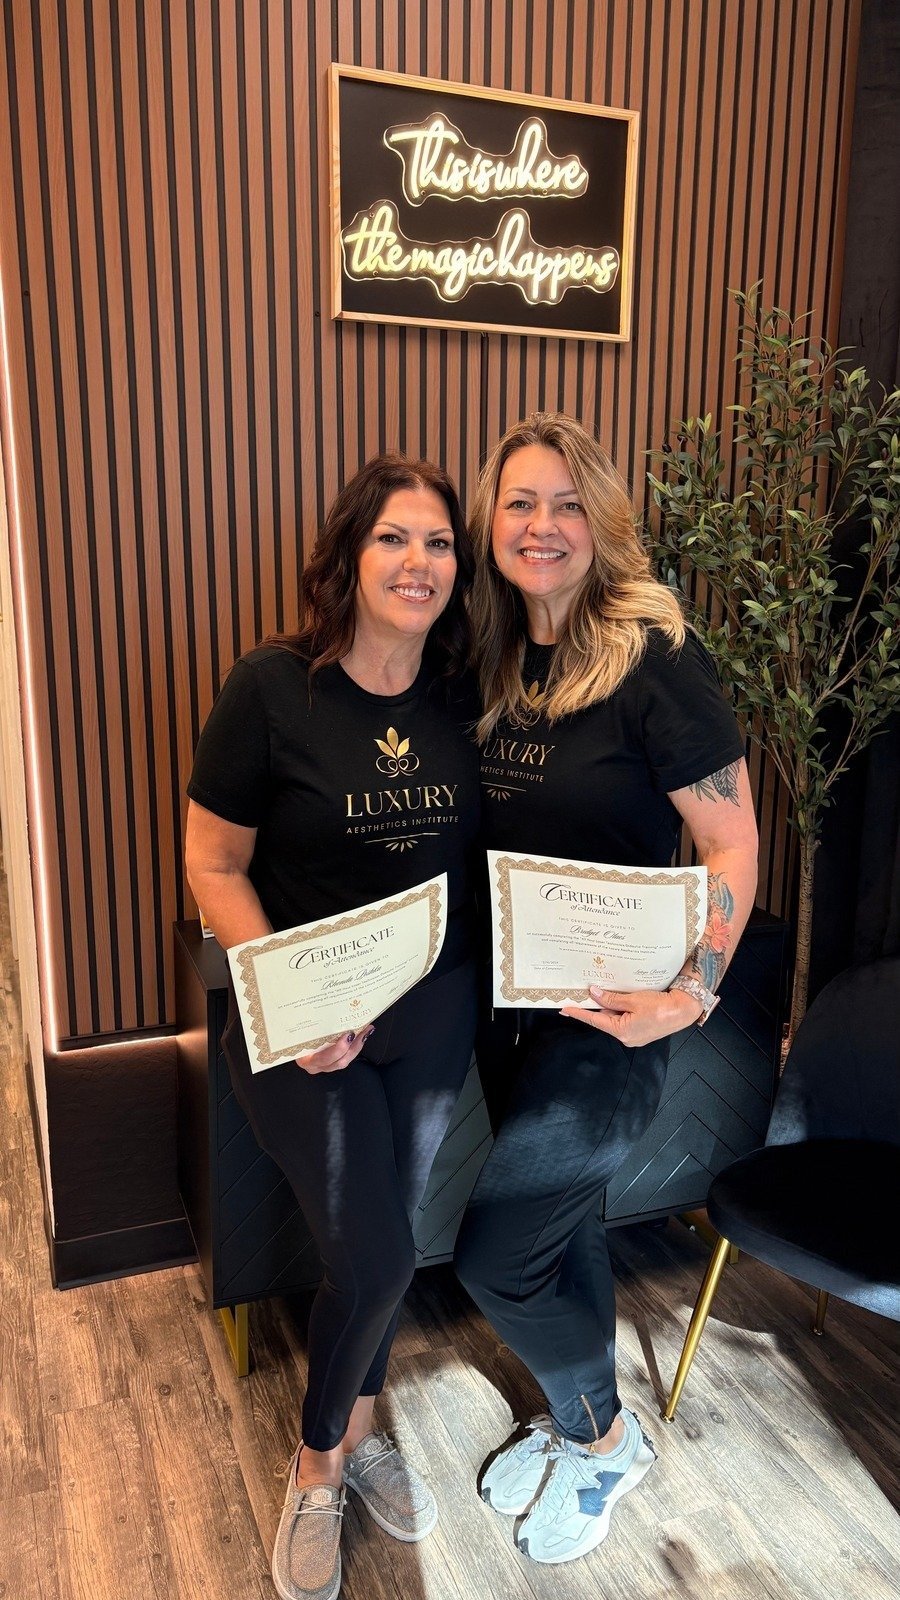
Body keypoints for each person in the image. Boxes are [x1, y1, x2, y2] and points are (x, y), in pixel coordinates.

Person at [454, 412, 759, 1567]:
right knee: (556, 1222)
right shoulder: (485, 650)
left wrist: (694, 994)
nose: (542, 526)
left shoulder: (654, 652)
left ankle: (609, 1435)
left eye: (568, 503)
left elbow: (733, 845)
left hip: (621, 1019)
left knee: (495, 1251)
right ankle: (575, 1418)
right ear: (492, 522)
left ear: (603, 521)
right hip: (508, 1007)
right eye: (521, 502)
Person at [185, 454, 481, 1600]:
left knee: (386, 1235)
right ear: (349, 557)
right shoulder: (271, 687)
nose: (420, 563)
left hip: (431, 1016)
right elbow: (213, 862)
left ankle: (359, 1431)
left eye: (440, 543)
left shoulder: (465, 690)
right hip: (305, 1023)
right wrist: (294, 1000)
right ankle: (318, 1462)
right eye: (395, 539)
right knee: (384, 1251)